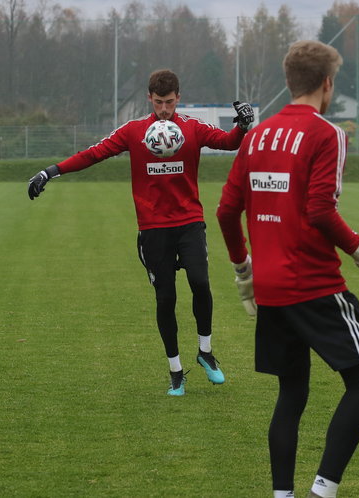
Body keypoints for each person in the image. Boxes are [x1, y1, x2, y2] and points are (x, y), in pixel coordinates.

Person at [216, 40, 359, 498]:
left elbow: (226, 210)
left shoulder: (256, 136)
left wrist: (243, 271)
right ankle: (322, 491)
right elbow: (319, 210)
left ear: (290, 81)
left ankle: (282, 494)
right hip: (314, 285)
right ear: (327, 84)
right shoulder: (326, 134)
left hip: (272, 289)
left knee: (291, 395)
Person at [27, 69, 253, 396]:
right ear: (150, 99)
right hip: (153, 227)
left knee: (201, 283)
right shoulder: (133, 131)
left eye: (170, 102)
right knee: (166, 298)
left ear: (179, 98)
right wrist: (51, 171)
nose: (164, 109)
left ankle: (205, 352)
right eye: (159, 102)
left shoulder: (191, 127)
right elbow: (94, 153)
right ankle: (176, 371)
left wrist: (242, 126)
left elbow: (227, 142)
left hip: (189, 221)